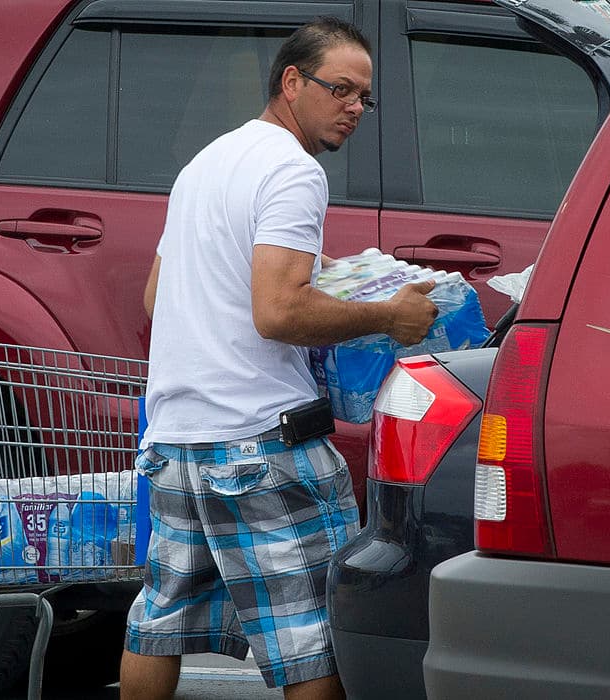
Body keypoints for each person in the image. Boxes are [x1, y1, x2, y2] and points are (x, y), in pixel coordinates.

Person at [122, 16, 438, 700]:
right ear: (292, 82)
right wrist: (390, 315)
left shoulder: (206, 163)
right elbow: (279, 312)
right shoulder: (294, 171)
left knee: (158, 625)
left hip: (175, 444)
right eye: (340, 89)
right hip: (261, 444)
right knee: (313, 639)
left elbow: (155, 297)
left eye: (364, 97)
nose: (355, 108)